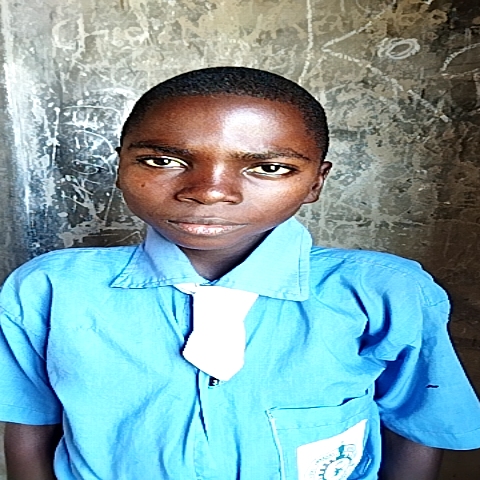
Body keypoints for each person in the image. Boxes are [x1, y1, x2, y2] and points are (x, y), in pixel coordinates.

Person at [0, 67, 479, 480]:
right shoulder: (50, 289)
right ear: (121, 165)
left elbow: (416, 423)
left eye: (268, 167)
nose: (210, 191)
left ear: (316, 182)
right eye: (163, 161)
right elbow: (29, 423)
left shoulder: (382, 291)